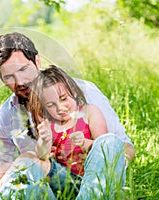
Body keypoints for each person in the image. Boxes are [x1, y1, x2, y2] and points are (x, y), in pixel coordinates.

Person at [0, 32, 135, 198]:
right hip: (51, 187)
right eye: (9, 77)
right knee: (27, 165)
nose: (20, 81)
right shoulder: (6, 115)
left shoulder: (84, 92)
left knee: (109, 142)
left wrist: (103, 172)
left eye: (23, 69)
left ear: (37, 61)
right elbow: (5, 166)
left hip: (93, 182)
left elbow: (123, 147)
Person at [29, 65, 126, 198]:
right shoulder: (50, 125)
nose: (60, 108)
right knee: (33, 163)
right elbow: (42, 157)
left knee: (111, 141)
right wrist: (43, 140)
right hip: (66, 183)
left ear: (73, 92)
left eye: (63, 99)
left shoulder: (89, 112)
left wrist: (85, 143)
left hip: (94, 181)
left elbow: (105, 149)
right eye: (51, 105)